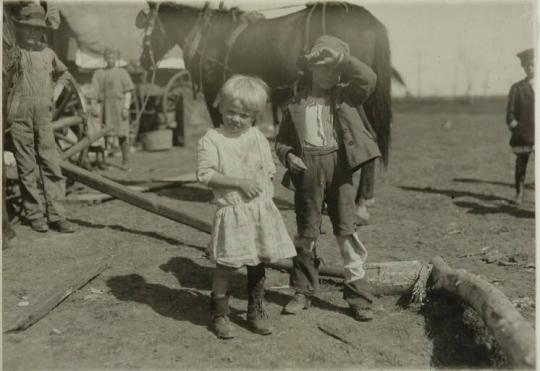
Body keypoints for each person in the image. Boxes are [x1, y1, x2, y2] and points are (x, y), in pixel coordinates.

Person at [275, 35, 381, 321]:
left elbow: (369, 79)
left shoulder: (345, 96)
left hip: (340, 169)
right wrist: (288, 156)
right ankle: (302, 291)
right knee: (306, 231)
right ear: (310, 68)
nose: (332, 74)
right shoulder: (295, 104)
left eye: (337, 69)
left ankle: (358, 295)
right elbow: (281, 141)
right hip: (308, 170)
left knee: (346, 229)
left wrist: (344, 60)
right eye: (324, 68)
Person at [197, 75, 296, 339]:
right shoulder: (212, 139)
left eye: (244, 115)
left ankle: (256, 308)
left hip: (258, 212)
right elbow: (205, 175)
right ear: (221, 106)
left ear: (254, 115)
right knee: (226, 265)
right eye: (231, 112)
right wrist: (238, 182)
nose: (236, 119)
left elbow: (268, 168)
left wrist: (266, 185)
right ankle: (219, 312)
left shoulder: (257, 137)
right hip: (232, 211)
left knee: (258, 261)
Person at [6, 3, 74, 233]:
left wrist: (54, 94)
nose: (33, 33)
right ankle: (35, 216)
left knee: (51, 164)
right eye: (29, 29)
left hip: (43, 116)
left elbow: (64, 74)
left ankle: (57, 216)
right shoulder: (14, 54)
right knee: (26, 168)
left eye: (38, 29)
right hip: (19, 115)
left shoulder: (48, 54)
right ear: (21, 29)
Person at [91, 48, 134, 171]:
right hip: (104, 109)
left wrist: (126, 107)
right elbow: (94, 92)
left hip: (119, 109)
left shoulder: (122, 73)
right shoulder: (99, 73)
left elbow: (128, 92)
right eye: (108, 56)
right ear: (105, 58)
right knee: (102, 135)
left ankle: (126, 162)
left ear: (117, 58)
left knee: (123, 134)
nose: (111, 59)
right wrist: (94, 106)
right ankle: (101, 161)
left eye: (113, 56)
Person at [506, 48, 534, 206]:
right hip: (524, 133)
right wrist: (513, 123)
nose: (530, 68)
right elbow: (510, 112)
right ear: (523, 67)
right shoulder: (517, 88)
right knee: (521, 163)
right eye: (526, 66)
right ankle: (519, 192)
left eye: (533, 65)